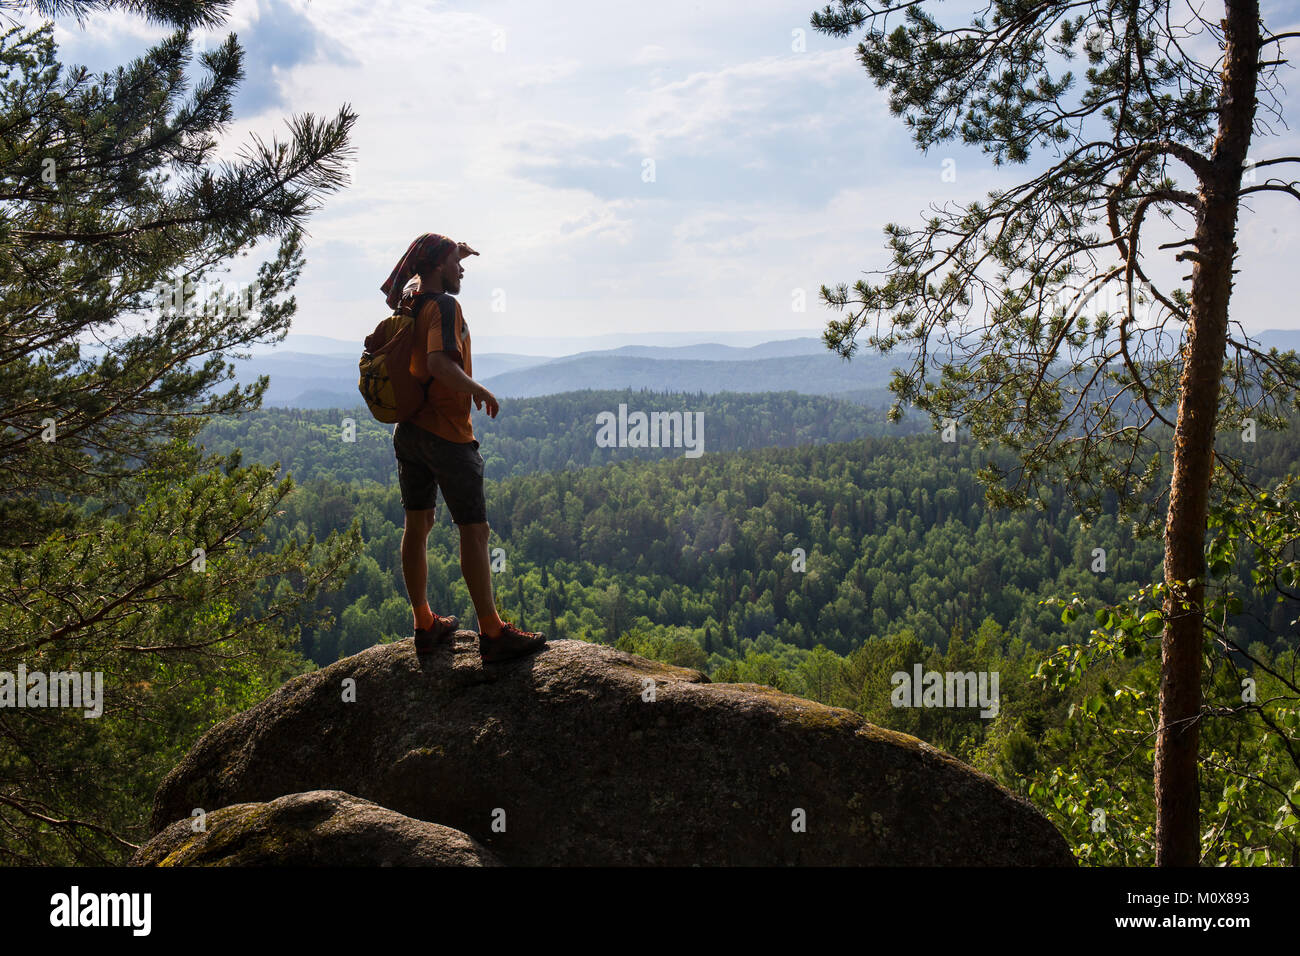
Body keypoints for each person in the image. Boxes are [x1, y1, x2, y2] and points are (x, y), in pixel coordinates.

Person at [379, 232, 546, 663]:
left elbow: (419, 356)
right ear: (437, 266)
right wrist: (479, 389)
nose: (463, 269)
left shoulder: (412, 299)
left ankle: (424, 624)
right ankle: (491, 633)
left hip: (408, 431)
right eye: (456, 262)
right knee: (474, 530)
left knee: (417, 526)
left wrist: (456, 248)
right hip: (447, 435)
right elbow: (438, 363)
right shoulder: (446, 306)